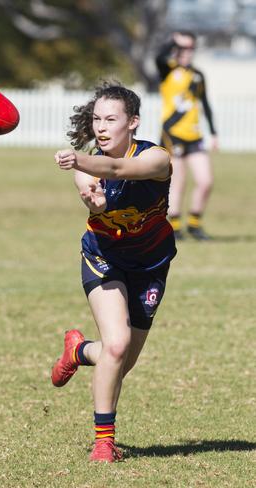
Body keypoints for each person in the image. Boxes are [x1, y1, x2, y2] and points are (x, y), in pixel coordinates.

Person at [50, 82, 176, 462]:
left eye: (110, 119)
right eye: (96, 119)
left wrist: (78, 160)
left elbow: (120, 168)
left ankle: (79, 350)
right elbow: (97, 199)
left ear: (133, 123)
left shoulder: (156, 159)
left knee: (120, 360)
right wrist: (96, 202)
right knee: (117, 345)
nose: (101, 127)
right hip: (104, 257)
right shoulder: (86, 170)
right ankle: (103, 442)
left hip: (152, 263)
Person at [156, 31, 218, 240]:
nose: (187, 53)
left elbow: (205, 103)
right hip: (172, 134)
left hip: (194, 135)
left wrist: (214, 132)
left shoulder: (197, 75)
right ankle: (173, 226)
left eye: (191, 49)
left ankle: (194, 224)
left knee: (205, 180)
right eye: (183, 49)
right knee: (179, 181)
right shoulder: (168, 70)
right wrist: (173, 40)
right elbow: (158, 56)